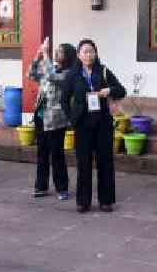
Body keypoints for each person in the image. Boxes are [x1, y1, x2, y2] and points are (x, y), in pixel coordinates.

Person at [62, 39, 126, 213]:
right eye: (84, 52)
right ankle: (83, 201)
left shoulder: (103, 71)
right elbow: (64, 99)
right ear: (78, 55)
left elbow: (122, 90)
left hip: (103, 123)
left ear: (96, 53)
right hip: (82, 125)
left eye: (91, 51)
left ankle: (106, 201)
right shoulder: (73, 75)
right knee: (83, 163)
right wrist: (72, 118)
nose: (88, 55)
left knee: (105, 162)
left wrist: (110, 90)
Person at [29, 38, 75, 200]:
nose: (57, 52)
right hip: (41, 116)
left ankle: (62, 188)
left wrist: (46, 54)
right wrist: (37, 56)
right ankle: (41, 186)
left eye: (61, 51)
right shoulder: (52, 66)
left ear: (68, 55)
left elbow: (51, 76)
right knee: (42, 152)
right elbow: (32, 75)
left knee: (57, 153)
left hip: (56, 118)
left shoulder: (69, 73)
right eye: (57, 50)